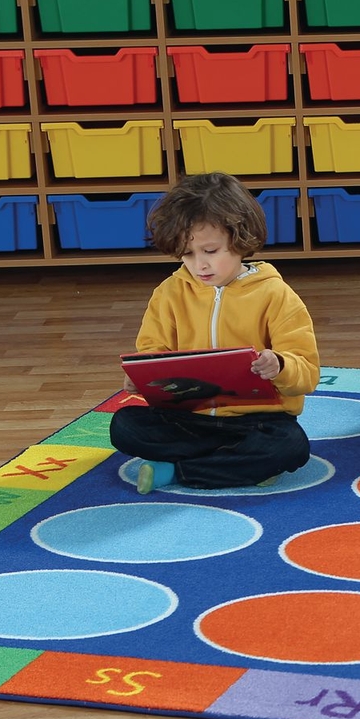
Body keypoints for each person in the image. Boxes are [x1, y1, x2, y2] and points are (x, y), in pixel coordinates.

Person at [110, 172, 319, 493]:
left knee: (290, 446)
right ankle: (233, 467)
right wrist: (142, 379)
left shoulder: (276, 295)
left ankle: (178, 471)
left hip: (258, 421)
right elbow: (153, 354)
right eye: (188, 254)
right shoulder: (168, 294)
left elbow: (307, 373)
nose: (199, 265)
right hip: (187, 420)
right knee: (124, 427)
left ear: (240, 240)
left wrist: (279, 365)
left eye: (210, 251)